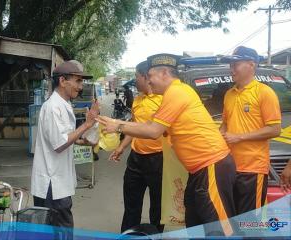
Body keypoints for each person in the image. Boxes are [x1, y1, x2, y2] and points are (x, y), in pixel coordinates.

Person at [97, 54, 236, 236]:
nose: (149, 81)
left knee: (219, 227)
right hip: (198, 170)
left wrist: (119, 125)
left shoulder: (176, 92)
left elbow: (153, 131)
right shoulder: (172, 94)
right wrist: (117, 124)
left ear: (164, 73)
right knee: (195, 222)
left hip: (211, 165)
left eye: (150, 76)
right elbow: (149, 125)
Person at [31, 61, 99, 229]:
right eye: (78, 81)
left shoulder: (64, 104)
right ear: (62, 81)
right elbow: (60, 144)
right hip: (51, 184)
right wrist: (87, 124)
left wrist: (84, 141)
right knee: (60, 230)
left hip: (59, 182)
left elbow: (67, 136)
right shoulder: (53, 107)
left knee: (58, 230)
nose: (81, 86)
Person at [220, 46, 281, 215]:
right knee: (232, 219)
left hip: (253, 169)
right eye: (231, 65)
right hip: (230, 167)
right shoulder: (229, 94)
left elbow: (275, 129)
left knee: (249, 222)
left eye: (236, 64)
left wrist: (239, 137)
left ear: (251, 65)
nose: (232, 69)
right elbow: (225, 124)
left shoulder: (264, 93)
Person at [110, 61, 164, 233]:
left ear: (145, 76)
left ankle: (154, 235)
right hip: (136, 159)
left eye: (136, 76)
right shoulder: (138, 99)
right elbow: (134, 127)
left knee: (157, 208)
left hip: (158, 160)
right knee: (131, 206)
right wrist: (121, 147)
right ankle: (128, 235)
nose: (135, 80)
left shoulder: (164, 100)